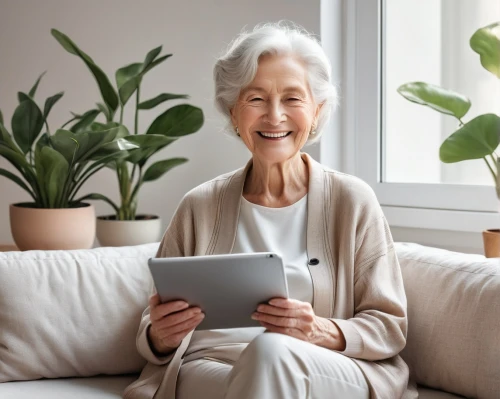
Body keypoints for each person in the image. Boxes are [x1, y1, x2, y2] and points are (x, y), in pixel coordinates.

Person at [124, 22, 418, 399]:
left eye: (293, 99)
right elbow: (152, 328)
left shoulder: (352, 200)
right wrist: (160, 335)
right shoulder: (199, 205)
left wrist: (318, 330)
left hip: (317, 364)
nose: (274, 116)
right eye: (256, 99)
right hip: (211, 368)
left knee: (271, 352)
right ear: (234, 112)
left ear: (317, 111)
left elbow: (389, 326)